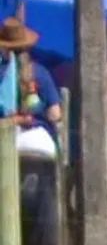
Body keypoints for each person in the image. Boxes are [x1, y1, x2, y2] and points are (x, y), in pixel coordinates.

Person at [0, 17, 62, 158]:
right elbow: (55, 114)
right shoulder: (40, 72)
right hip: (37, 142)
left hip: (4, 140)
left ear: (3, 47)